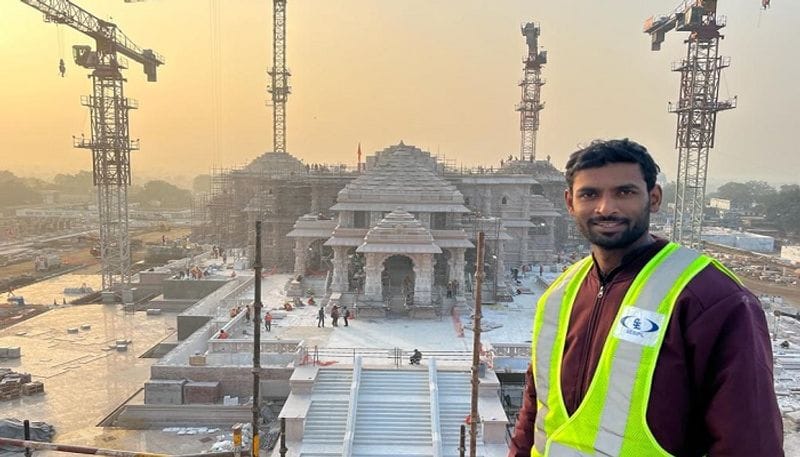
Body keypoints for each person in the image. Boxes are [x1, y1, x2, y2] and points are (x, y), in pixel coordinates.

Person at [508, 139, 782, 456]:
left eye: (624, 192)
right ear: (570, 202)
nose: (606, 208)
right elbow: (536, 409)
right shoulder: (560, 294)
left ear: (653, 198)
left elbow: (750, 440)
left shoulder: (707, 297)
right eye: (590, 194)